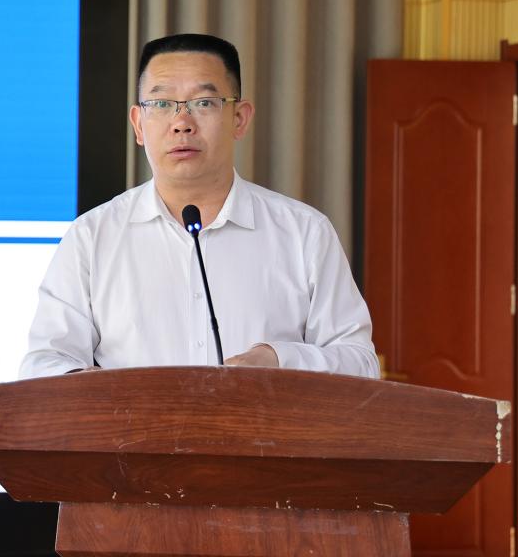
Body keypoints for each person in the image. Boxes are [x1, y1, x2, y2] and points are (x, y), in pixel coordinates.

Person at [19, 33, 378, 379]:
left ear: (239, 118)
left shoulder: (304, 233)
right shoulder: (92, 237)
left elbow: (360, 364)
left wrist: (280, 360)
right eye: (161, 104)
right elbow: (44, 364)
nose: (182, 123)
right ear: (139, 125)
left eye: (204, 103)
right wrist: (99, 391)